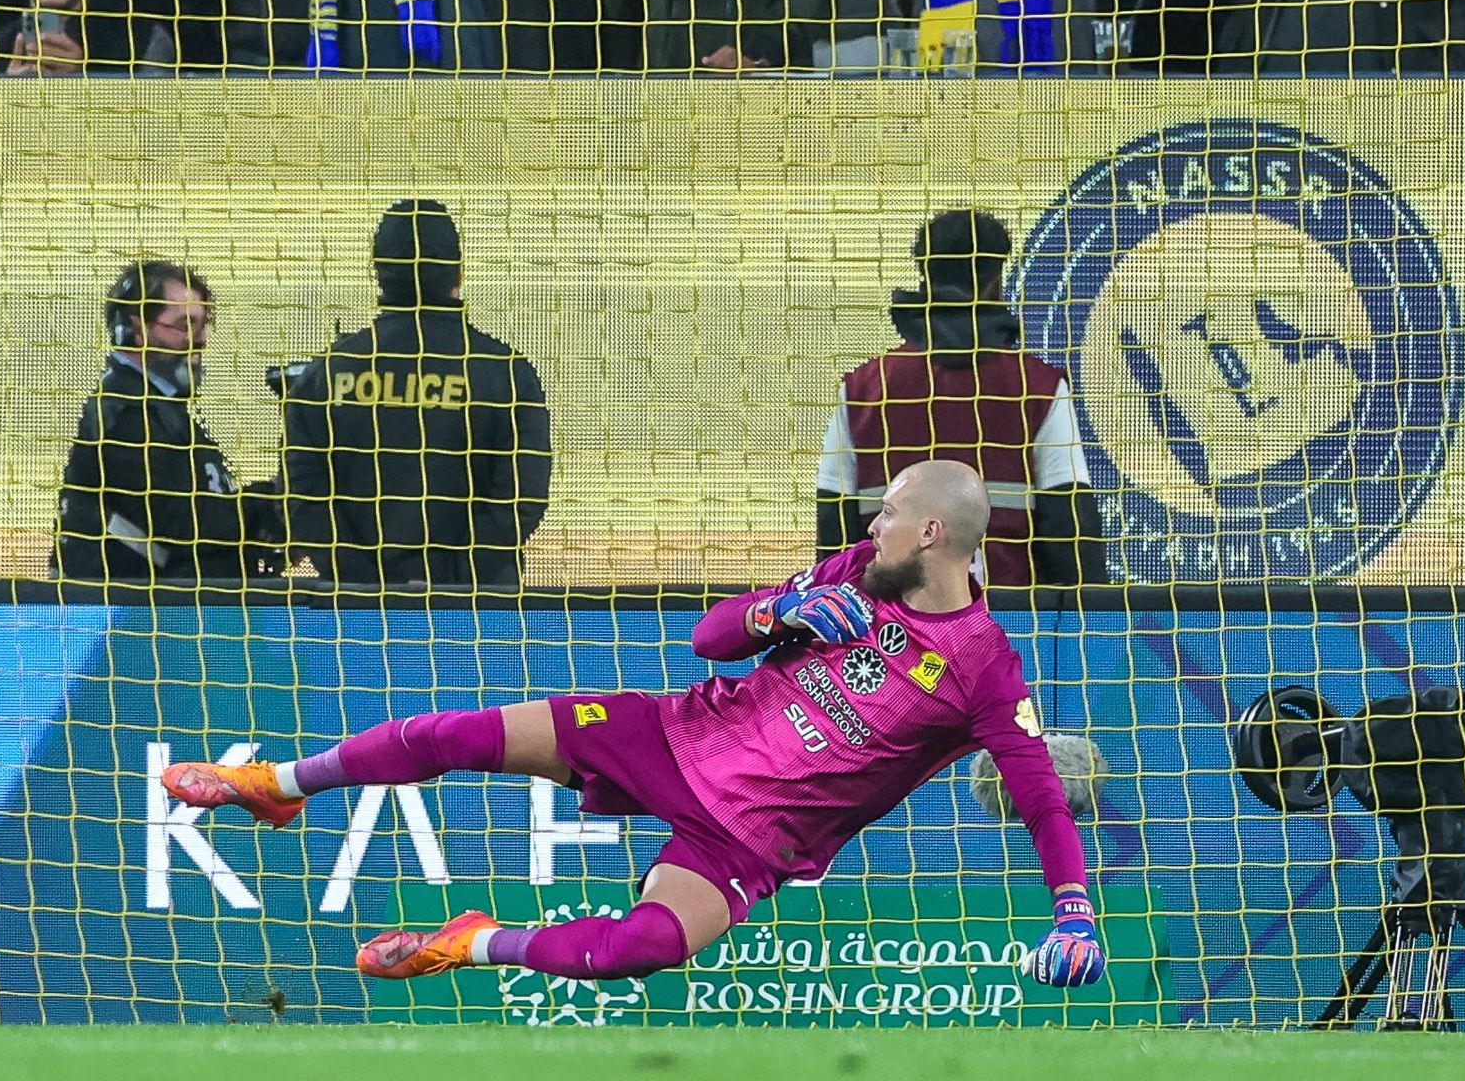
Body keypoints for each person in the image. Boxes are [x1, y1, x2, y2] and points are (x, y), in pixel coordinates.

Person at [162, 457, 1099, 992]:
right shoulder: (856, 570)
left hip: (751, 834)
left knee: (640, 947)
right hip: (676, 734)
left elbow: (1038, 793)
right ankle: (276, 786)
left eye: (889, 512)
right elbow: (710, 638)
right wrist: (785, 611)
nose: (875, 521)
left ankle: (471, 940)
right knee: (456, 735)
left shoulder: (982, 665)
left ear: (932, 534)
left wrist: (1073, 912)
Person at [272, 198, 550, 591]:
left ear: (379, 273)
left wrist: (364, 580)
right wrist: (453, 578)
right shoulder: (505, 372)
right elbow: (521, 498)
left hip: (356, 608)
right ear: (457, 270)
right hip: (477, 607)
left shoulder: (325, 373)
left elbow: (302, 495)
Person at [814, 207, 1083, 597]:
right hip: (1008, 626)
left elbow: (833, 532)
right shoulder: (1039, 388)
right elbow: (1069, 530)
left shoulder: (863, 390)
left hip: (887, 631)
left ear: (925, 278)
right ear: (996, 281)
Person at [55, 258, 286, 584]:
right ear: (139, 329)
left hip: (162, 611)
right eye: (186, 325)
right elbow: (185, 524)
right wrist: (273, 505)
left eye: (203, 325)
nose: (201, 339)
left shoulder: (154, 403)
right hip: (141, 616)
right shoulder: (127, 414)